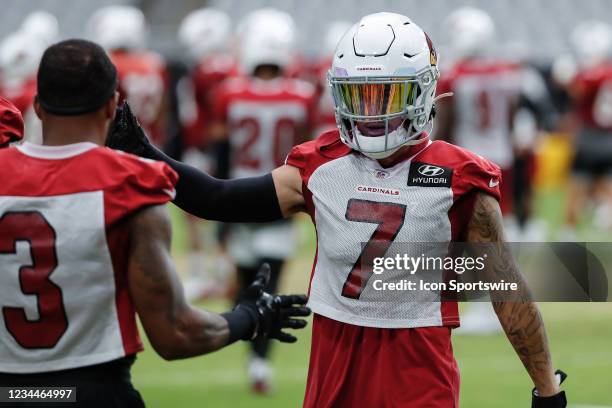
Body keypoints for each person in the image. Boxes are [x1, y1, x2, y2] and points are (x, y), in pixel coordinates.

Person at [108, 13, 567, 407]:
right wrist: (148, 154)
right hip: (335, 362)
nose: (370, 112)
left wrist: (546, 387)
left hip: (417, 367)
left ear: (422, 91)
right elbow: (218, 199)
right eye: (359, 95)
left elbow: (507, 290)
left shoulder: (460, 178)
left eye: (385, 96)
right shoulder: (321, 166)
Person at [0, 39, 310, 408]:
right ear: (112, 106)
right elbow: (175, 334)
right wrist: (248, 317)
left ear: (36, 106)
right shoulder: (130, 184)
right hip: (95, 392)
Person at [208, 8, 316, 393]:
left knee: (245, 287)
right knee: (268, 286)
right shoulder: (303, 95)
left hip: (238, 198)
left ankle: (251, 353)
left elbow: (220, 155)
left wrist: (218, 210)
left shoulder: (228, 93)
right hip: (281, 202)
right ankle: (260, 363)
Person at [87, 5, 169, 147]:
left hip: (118, 145)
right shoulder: (155, 63)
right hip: (151, 143)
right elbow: (163, 110)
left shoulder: (108, 64)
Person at [561, 21, 612, 236]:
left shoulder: (591, 74)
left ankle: (569, 232)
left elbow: (577, 92)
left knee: (577, 185)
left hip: (590, 137)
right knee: (604, 184)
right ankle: (603, 209)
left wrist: (566, 79)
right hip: (609, 137)